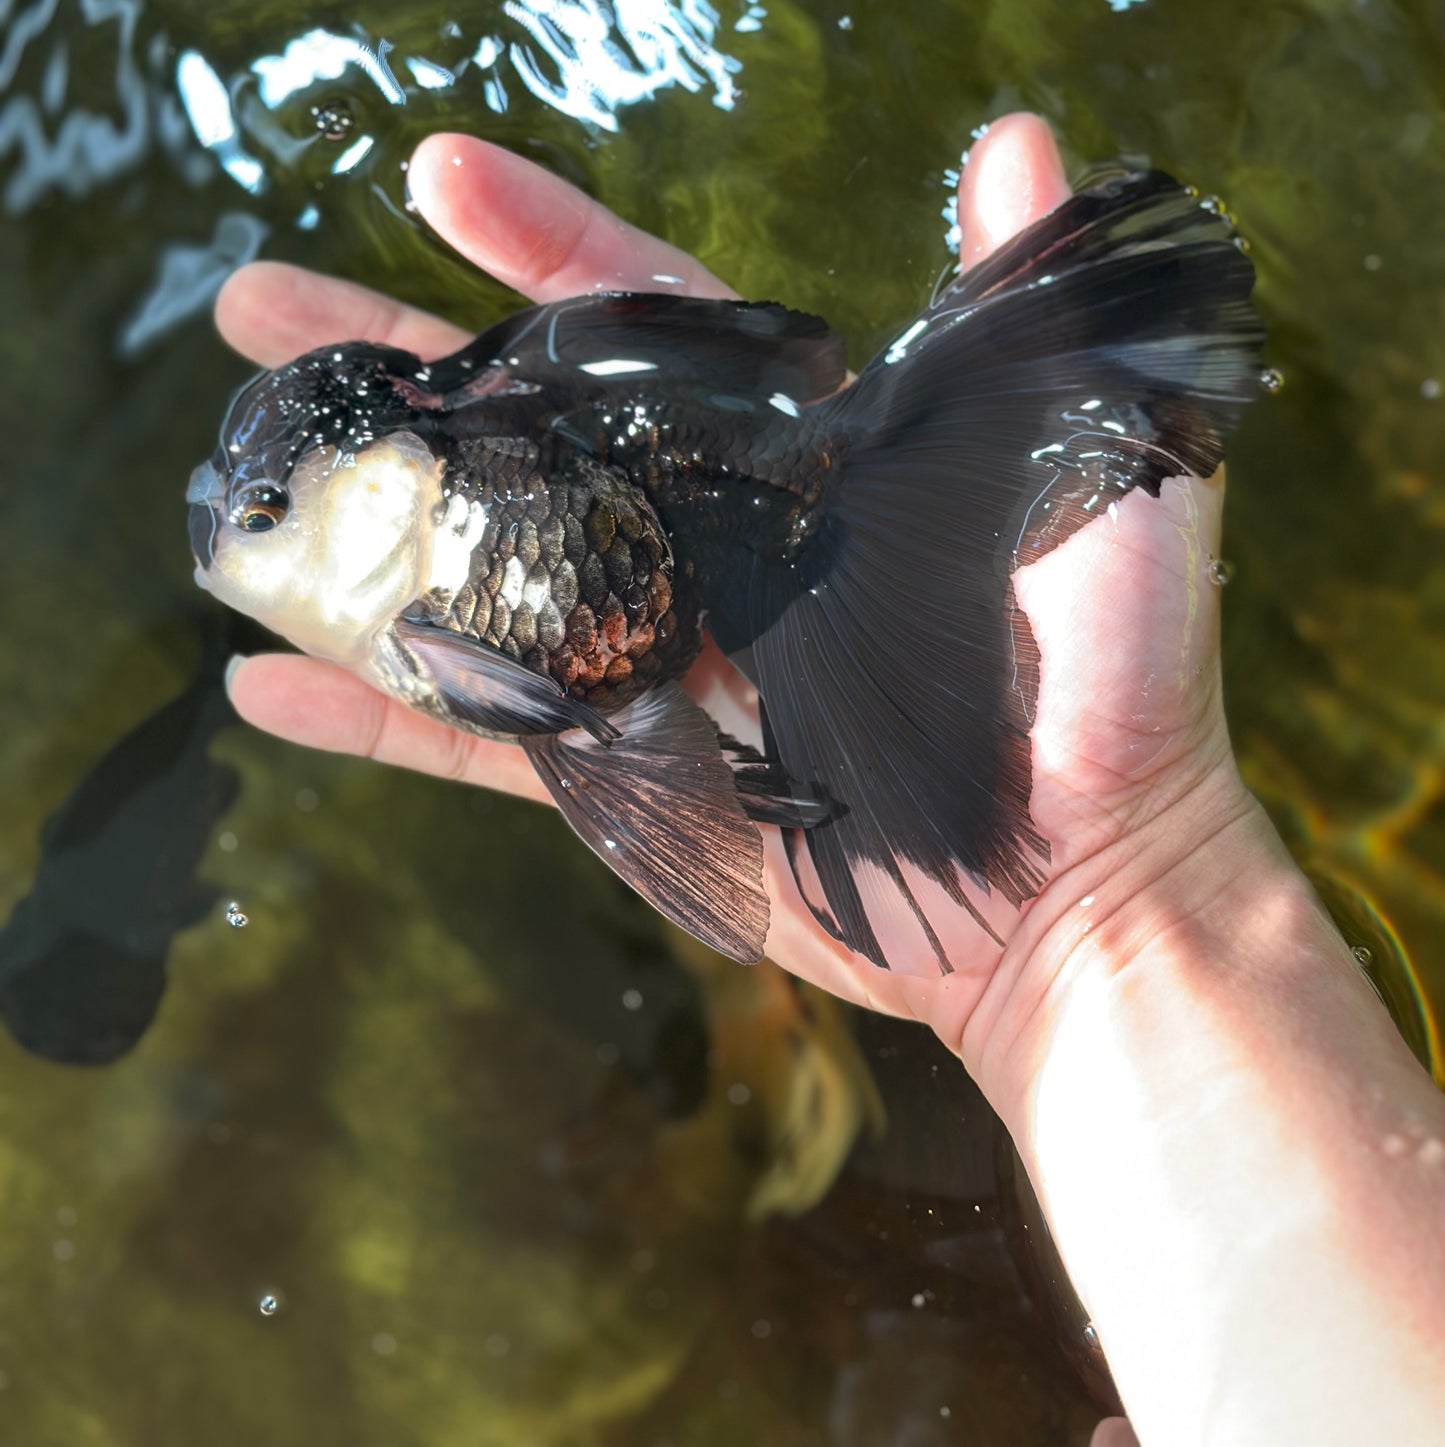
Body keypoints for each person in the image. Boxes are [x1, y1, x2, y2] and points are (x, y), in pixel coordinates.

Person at [216, 113, 1445, 1446]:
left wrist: (1109, 905)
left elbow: (551, 712)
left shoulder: (451, 532)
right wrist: (1113, 906)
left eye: (267, 517)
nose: (239, 549)